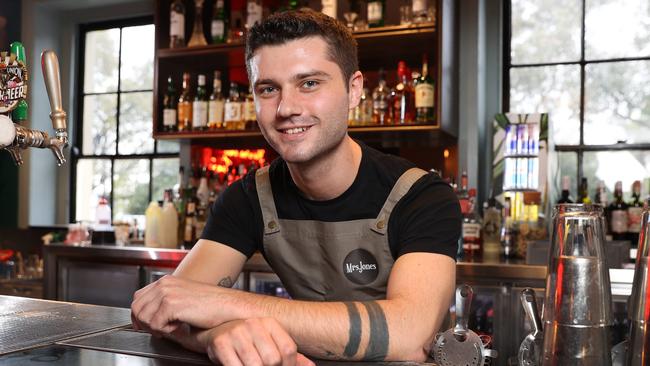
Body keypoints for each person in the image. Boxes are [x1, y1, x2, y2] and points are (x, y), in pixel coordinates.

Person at [131, 9, 461, 366]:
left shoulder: (422, 196)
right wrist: (216, 335)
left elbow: (409, 336)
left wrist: (224, 306)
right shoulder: (248, 199)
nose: (286, 108)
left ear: (354, 91)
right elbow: (168, 308)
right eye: (269, 89)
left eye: (309, 84)